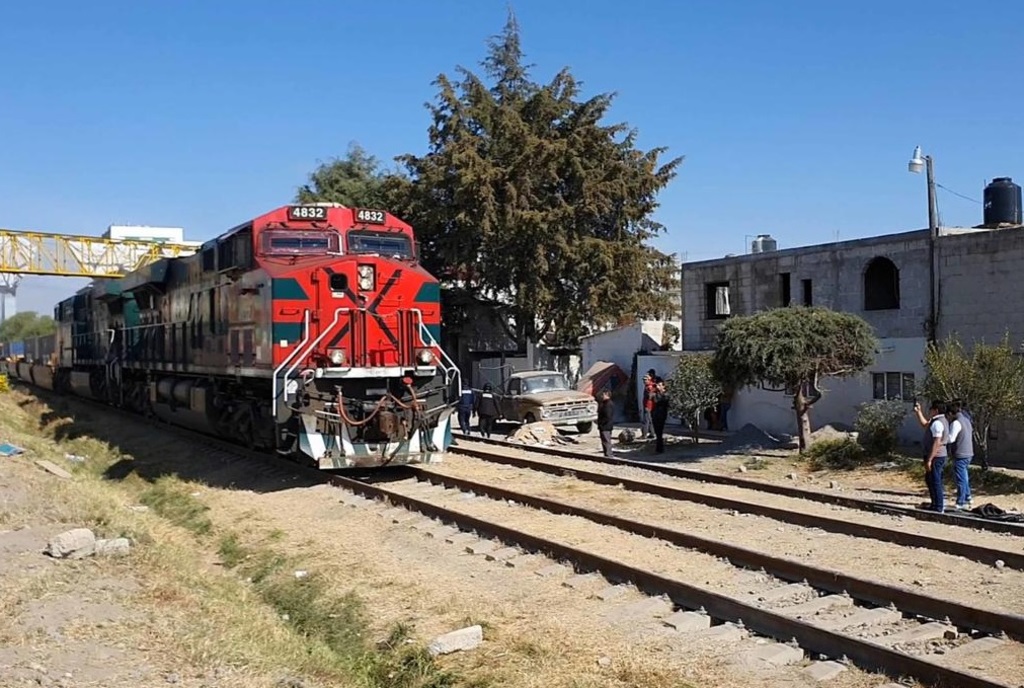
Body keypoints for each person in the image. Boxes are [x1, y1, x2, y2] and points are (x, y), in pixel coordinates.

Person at [914, 400, 950, 513]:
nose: (929, 411)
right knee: (930, 479)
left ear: (936, 410)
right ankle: (935, 504)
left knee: (935, 480)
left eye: (931, 409)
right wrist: (918, 412)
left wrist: (929, 459)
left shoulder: (937, 423)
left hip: (936, 456)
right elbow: (925, 425)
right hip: (936, 455)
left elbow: (937, 442)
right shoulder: (938, 421)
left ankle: (938, 506)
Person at [946, 399, 974, 510]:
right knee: (964, 476)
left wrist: (942, 437)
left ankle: (961, 501)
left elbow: (951, 438)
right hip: (969, 452)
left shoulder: (956, 423)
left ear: (950, 413)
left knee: (960, 479)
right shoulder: (966, 420)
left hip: (960, 453)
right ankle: (968, 496)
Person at [651, 380, 670, 454]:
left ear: (663, 386)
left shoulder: (665, 394)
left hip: (661, 414)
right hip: (655, 414)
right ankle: (658, 448)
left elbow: (658, 401)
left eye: (659, 385)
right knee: (657, 432)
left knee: (659, 432)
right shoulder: (656, 393)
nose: (657, 387)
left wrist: (655, 395)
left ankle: (660, 448)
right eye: (657, 385)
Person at [596, 389, 614, 457]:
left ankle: (609, 454)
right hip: (604, 425)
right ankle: (606, 454)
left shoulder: (608, 404)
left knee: (606, 441)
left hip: (606, 426)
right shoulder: (604, 403)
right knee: (604, 441)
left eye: (603, 395)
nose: (601, 396)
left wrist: (601, 423)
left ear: (607, 395)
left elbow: (607, 416)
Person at [640, 373, 655, 440]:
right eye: (643, 380)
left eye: (645, 380)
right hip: (650, 406)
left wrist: (647, 405)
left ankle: (644, 434)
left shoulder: (649, 387)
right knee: (650, 420)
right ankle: (652, 433)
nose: (644, 381)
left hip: (647, 406)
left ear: (649, 380)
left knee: (646, 420)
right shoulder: (651, 385)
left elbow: (650, 396)